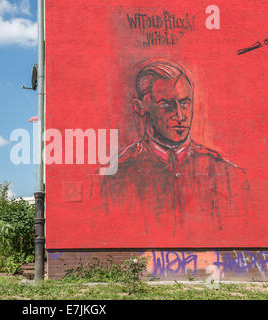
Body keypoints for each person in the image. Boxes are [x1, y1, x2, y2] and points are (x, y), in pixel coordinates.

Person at [97, 58, 251, 239]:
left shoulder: (227, 175)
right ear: (140, 108)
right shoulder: (117, 175)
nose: (180, 115)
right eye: (166, 106)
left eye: (185, 103)